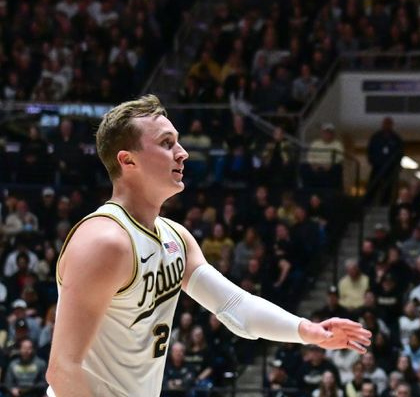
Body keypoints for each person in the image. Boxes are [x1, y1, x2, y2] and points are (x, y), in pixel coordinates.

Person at [46, 95, 371, 397]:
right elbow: (63, 370)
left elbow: (235, 307)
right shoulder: (105, 242)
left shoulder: (175, 238)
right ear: (128, 161)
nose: (182, 152)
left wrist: (308, 331)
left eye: (178, 141)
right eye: (166, 143)